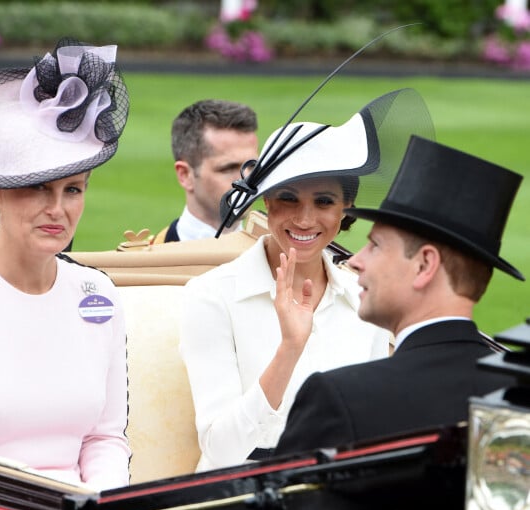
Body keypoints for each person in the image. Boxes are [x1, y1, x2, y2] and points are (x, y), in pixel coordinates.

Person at [273, 135, 528, 510]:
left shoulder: (340, 398)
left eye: (374, 245)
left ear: (424, 266)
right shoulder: (515, 395)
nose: (355, 262)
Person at [180, 89, 435, 472]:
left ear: (345, 207)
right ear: (265, 201)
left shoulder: (365, 302)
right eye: (287, 198)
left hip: (339, 490)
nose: (304, 219)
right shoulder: (210, 296)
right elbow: (221, 449)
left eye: (324, 202)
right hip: (237, 494)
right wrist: (290, 347)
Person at [0, 39, 131, 491]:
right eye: (38, 188)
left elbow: (104, 438)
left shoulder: (98, 294)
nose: (58, 208)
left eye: (74, 189)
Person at [154, 99, 258, 243]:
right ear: (185, 175)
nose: (248, 180)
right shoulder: (140, 262)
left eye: (252, 167)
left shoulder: (281, 258)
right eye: (228, 168)